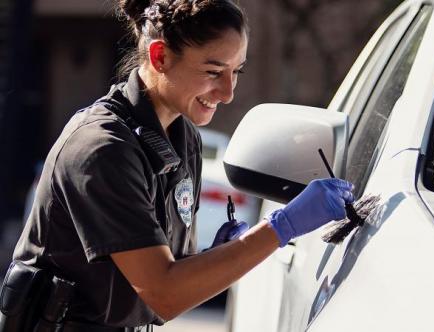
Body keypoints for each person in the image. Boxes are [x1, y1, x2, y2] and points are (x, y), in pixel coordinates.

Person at [8, 0, 354, 331]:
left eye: (237, 71)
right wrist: (282, 226)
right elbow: (165, 294)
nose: (228, 92)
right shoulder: (102, 147)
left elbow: (172, 280)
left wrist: (219, 255)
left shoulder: (182, 136)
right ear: (160, 57)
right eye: (213, 71)